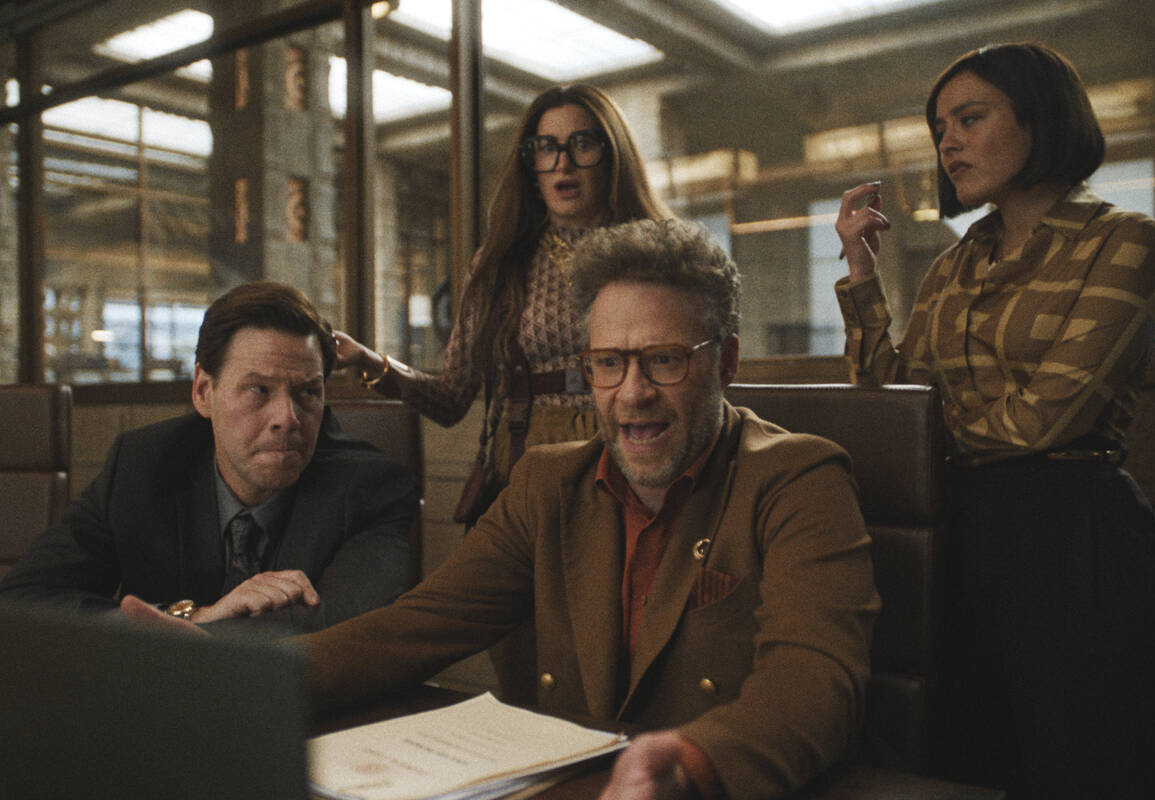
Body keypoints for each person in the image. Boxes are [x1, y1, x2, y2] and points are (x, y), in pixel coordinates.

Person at [124, 219, 879, 800]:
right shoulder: (549, 483)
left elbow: (814, 681)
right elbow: (413, 629)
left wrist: (691, 761)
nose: (632, 393)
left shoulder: (799, 478)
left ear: (728, 361)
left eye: (664, 360)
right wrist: (225, 677)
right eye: (608, 363)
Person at [833, 43, 1155, 799]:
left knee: (1076, 758)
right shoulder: (954, 263)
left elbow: (1046, 419)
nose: (948, 143)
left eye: (970, 118)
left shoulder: (1125, 241)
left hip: (1069, 530)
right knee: (967, 756)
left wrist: (926, 445)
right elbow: (894, 404)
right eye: (940, 128)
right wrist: (861, 271)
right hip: (958, 529)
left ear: (1039, 117)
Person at [334, 83, 673, 524]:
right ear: (530, 165)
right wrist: (367, 362)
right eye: (546, 148)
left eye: (582, 144)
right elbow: (450, 399)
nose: (563, 163)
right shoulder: (501, 263)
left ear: (613, 155)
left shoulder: (660, 254)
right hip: (526, 469)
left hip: (637, 461)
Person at [0, 281, 420, 636]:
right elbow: (23, 601)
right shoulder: (143, 464)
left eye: (308, 392)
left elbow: (345, 635)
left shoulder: (371, 488)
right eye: (258, 390)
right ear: (203, 392)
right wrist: (192, 617)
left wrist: (188, 633)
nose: (287, 418)